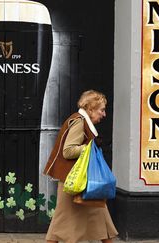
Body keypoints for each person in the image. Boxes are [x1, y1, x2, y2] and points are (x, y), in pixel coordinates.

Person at [43, 90, 118, 243]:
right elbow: (68, 151)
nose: (104, 114)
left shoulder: (84, 122)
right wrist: (90, 147)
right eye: (101, 110)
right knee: (62, 219)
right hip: (73, 181)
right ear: (90, 109)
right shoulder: (79, 122)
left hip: (82, 180)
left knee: (99, 213)